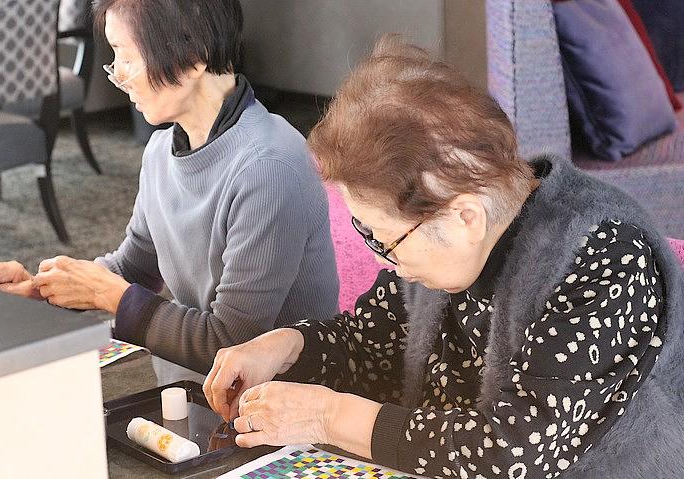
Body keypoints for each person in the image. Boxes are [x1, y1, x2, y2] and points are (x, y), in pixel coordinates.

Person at [203, 35, 684, 477]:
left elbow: (511, 451)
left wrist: (329, 417)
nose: (385, 261)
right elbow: (372, 345)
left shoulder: (606, 262)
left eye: (386, 240)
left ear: (465, 216)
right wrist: (288, 347)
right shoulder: (448, 245)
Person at [0, 0, 338, 374]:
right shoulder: (161, 151)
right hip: (193, 388)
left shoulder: (269, 167)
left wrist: (111, 296)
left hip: (276, 401)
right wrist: (44, 289)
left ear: (194, 58)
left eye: (127, 58)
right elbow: (134, 266)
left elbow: (231, 343)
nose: (119, 76)